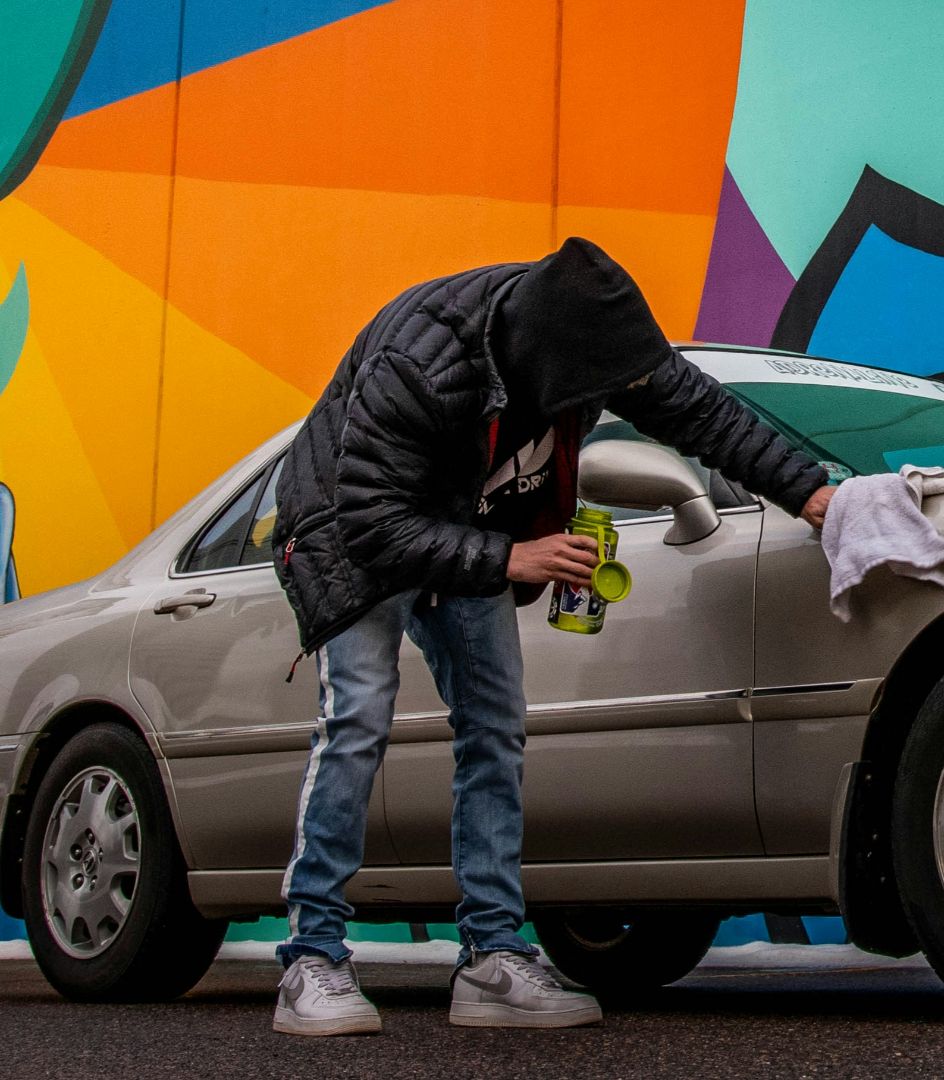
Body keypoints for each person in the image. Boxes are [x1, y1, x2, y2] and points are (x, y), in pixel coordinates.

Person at [266, 237, 833, 1035]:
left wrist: (816, 496)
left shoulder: (590, 335)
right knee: (359, 716)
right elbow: (371, 521)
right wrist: (513, 555)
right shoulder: (422, 362)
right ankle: (312, 957)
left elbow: (704, 414)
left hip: (466, 522)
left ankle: (492, 959)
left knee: (495, 727)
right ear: (541, 364)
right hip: (353, 527)